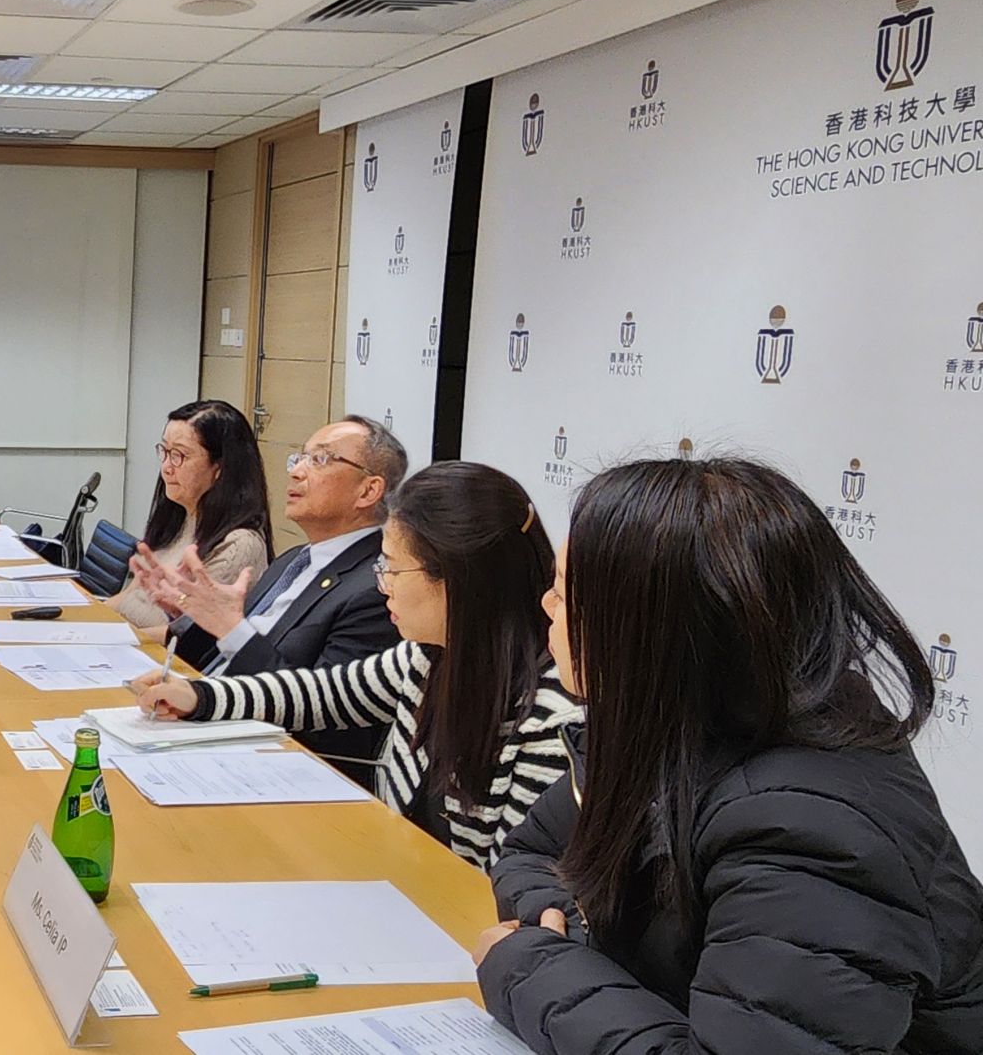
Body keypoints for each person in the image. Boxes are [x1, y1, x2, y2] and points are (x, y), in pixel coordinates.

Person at [475, 458, 983, 1053]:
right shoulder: (675, 726)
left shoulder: (809, 827)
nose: (545, 607)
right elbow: (534, 851)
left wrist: (530, 966)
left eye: (564, 595)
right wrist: (558, 923)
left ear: (651, 627)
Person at [135, 462, 580, 868]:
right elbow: (320, 694)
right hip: (391, 877)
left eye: (394, 569)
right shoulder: (428, 655)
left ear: (456, 583)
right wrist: (200, 696)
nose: (381, 583)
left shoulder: (548, 717)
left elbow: (509, 880)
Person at [131, 414, 404, 777]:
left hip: (269, 762)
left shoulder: (375, 587)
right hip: (200, 718)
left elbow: (321, 713)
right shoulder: (296, 559)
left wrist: (230, 628)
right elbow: (222, 656)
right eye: (299, 458)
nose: (296, 472)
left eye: (320, 460)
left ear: (368, 491)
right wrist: (190, 611)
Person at [107, 401, 270, 639]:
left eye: (179, 455)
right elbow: (128, 597)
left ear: (219, 467)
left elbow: (188, 638)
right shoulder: (179, 517)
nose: (166, 468)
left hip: (163, 663)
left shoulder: (239, 545)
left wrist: (114, 639)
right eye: (164, 451)